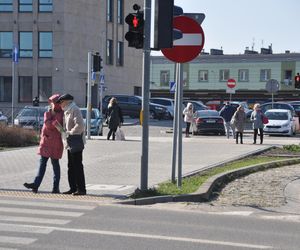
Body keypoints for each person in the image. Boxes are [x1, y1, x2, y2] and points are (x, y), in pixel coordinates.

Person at [24, 94, 64, 193]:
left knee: (55, 165)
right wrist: (54, 122)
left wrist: (53, 122)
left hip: (56, 143)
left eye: (53, 103)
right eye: (50, 103)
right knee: (42, 164)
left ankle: (55, 187)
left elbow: (52, 125)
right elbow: (48, 124)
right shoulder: (48, 113)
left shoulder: (62, 114)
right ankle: (36, 184)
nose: (51, 105)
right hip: (46, 142)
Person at [56, 93, 87, 196]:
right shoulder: (67, 111)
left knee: (77, 165)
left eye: (61, 102)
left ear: (67, 101)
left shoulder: (74, 109)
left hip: (75, 140)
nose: (60, 104)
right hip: (69, 142)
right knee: (71, 166)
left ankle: (81, 189)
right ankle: (73, 188)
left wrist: (70, 132)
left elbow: (80, 125)